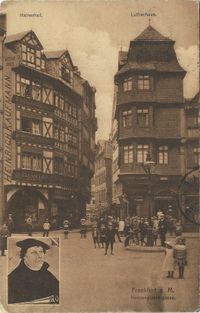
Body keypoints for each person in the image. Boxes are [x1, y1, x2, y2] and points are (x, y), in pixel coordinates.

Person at [8, 238, 59, 303]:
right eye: (34, 252)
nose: (39, 256)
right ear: (24, 256)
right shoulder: (13, 278)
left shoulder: (48, 275)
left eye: (41, 252)